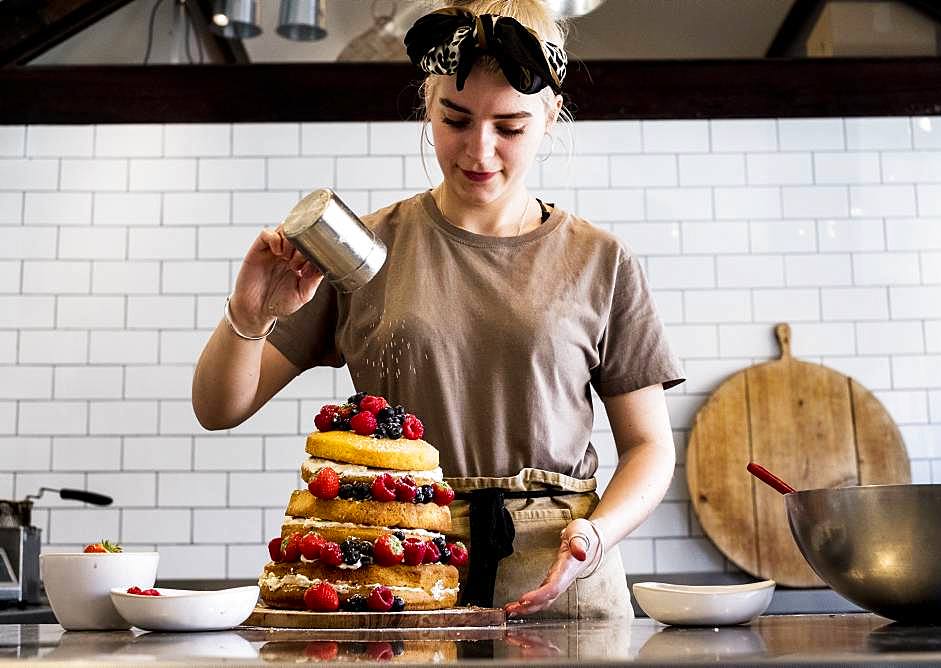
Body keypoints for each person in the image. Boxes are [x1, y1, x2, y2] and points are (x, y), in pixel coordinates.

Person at [192, 0, 684, 619]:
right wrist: (249, 311)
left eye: (510, 127)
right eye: (456, 119)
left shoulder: (600, 260)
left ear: (550, 115)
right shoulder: (362, 248)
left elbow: (648, 447)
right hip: (398, 571)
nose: (480, 151)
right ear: (427, 105)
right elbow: (218, 408)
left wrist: (595, 536)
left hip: (562, 573)